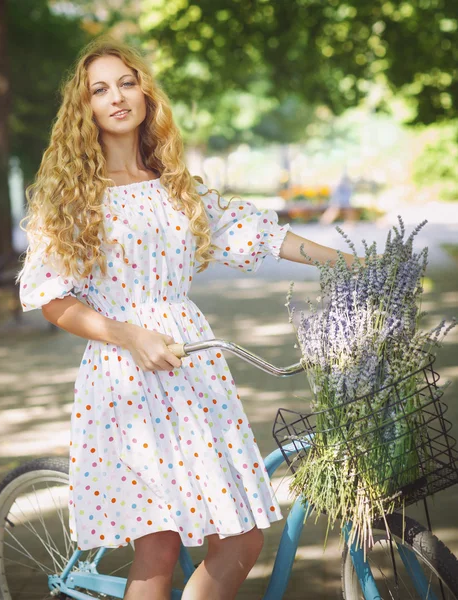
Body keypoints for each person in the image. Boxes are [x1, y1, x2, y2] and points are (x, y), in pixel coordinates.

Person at [18, 36, 358, 600]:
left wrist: (352, 263)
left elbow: (263, 235)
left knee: (242, 540)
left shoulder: (178, 188)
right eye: (100, 90)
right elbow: (52, 298)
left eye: (127, 82)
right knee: (160, 546)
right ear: (86, 109)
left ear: (145, 93)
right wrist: (128, 334)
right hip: (125, 372)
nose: (117, 97)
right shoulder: (73, 199)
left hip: (196, 367)